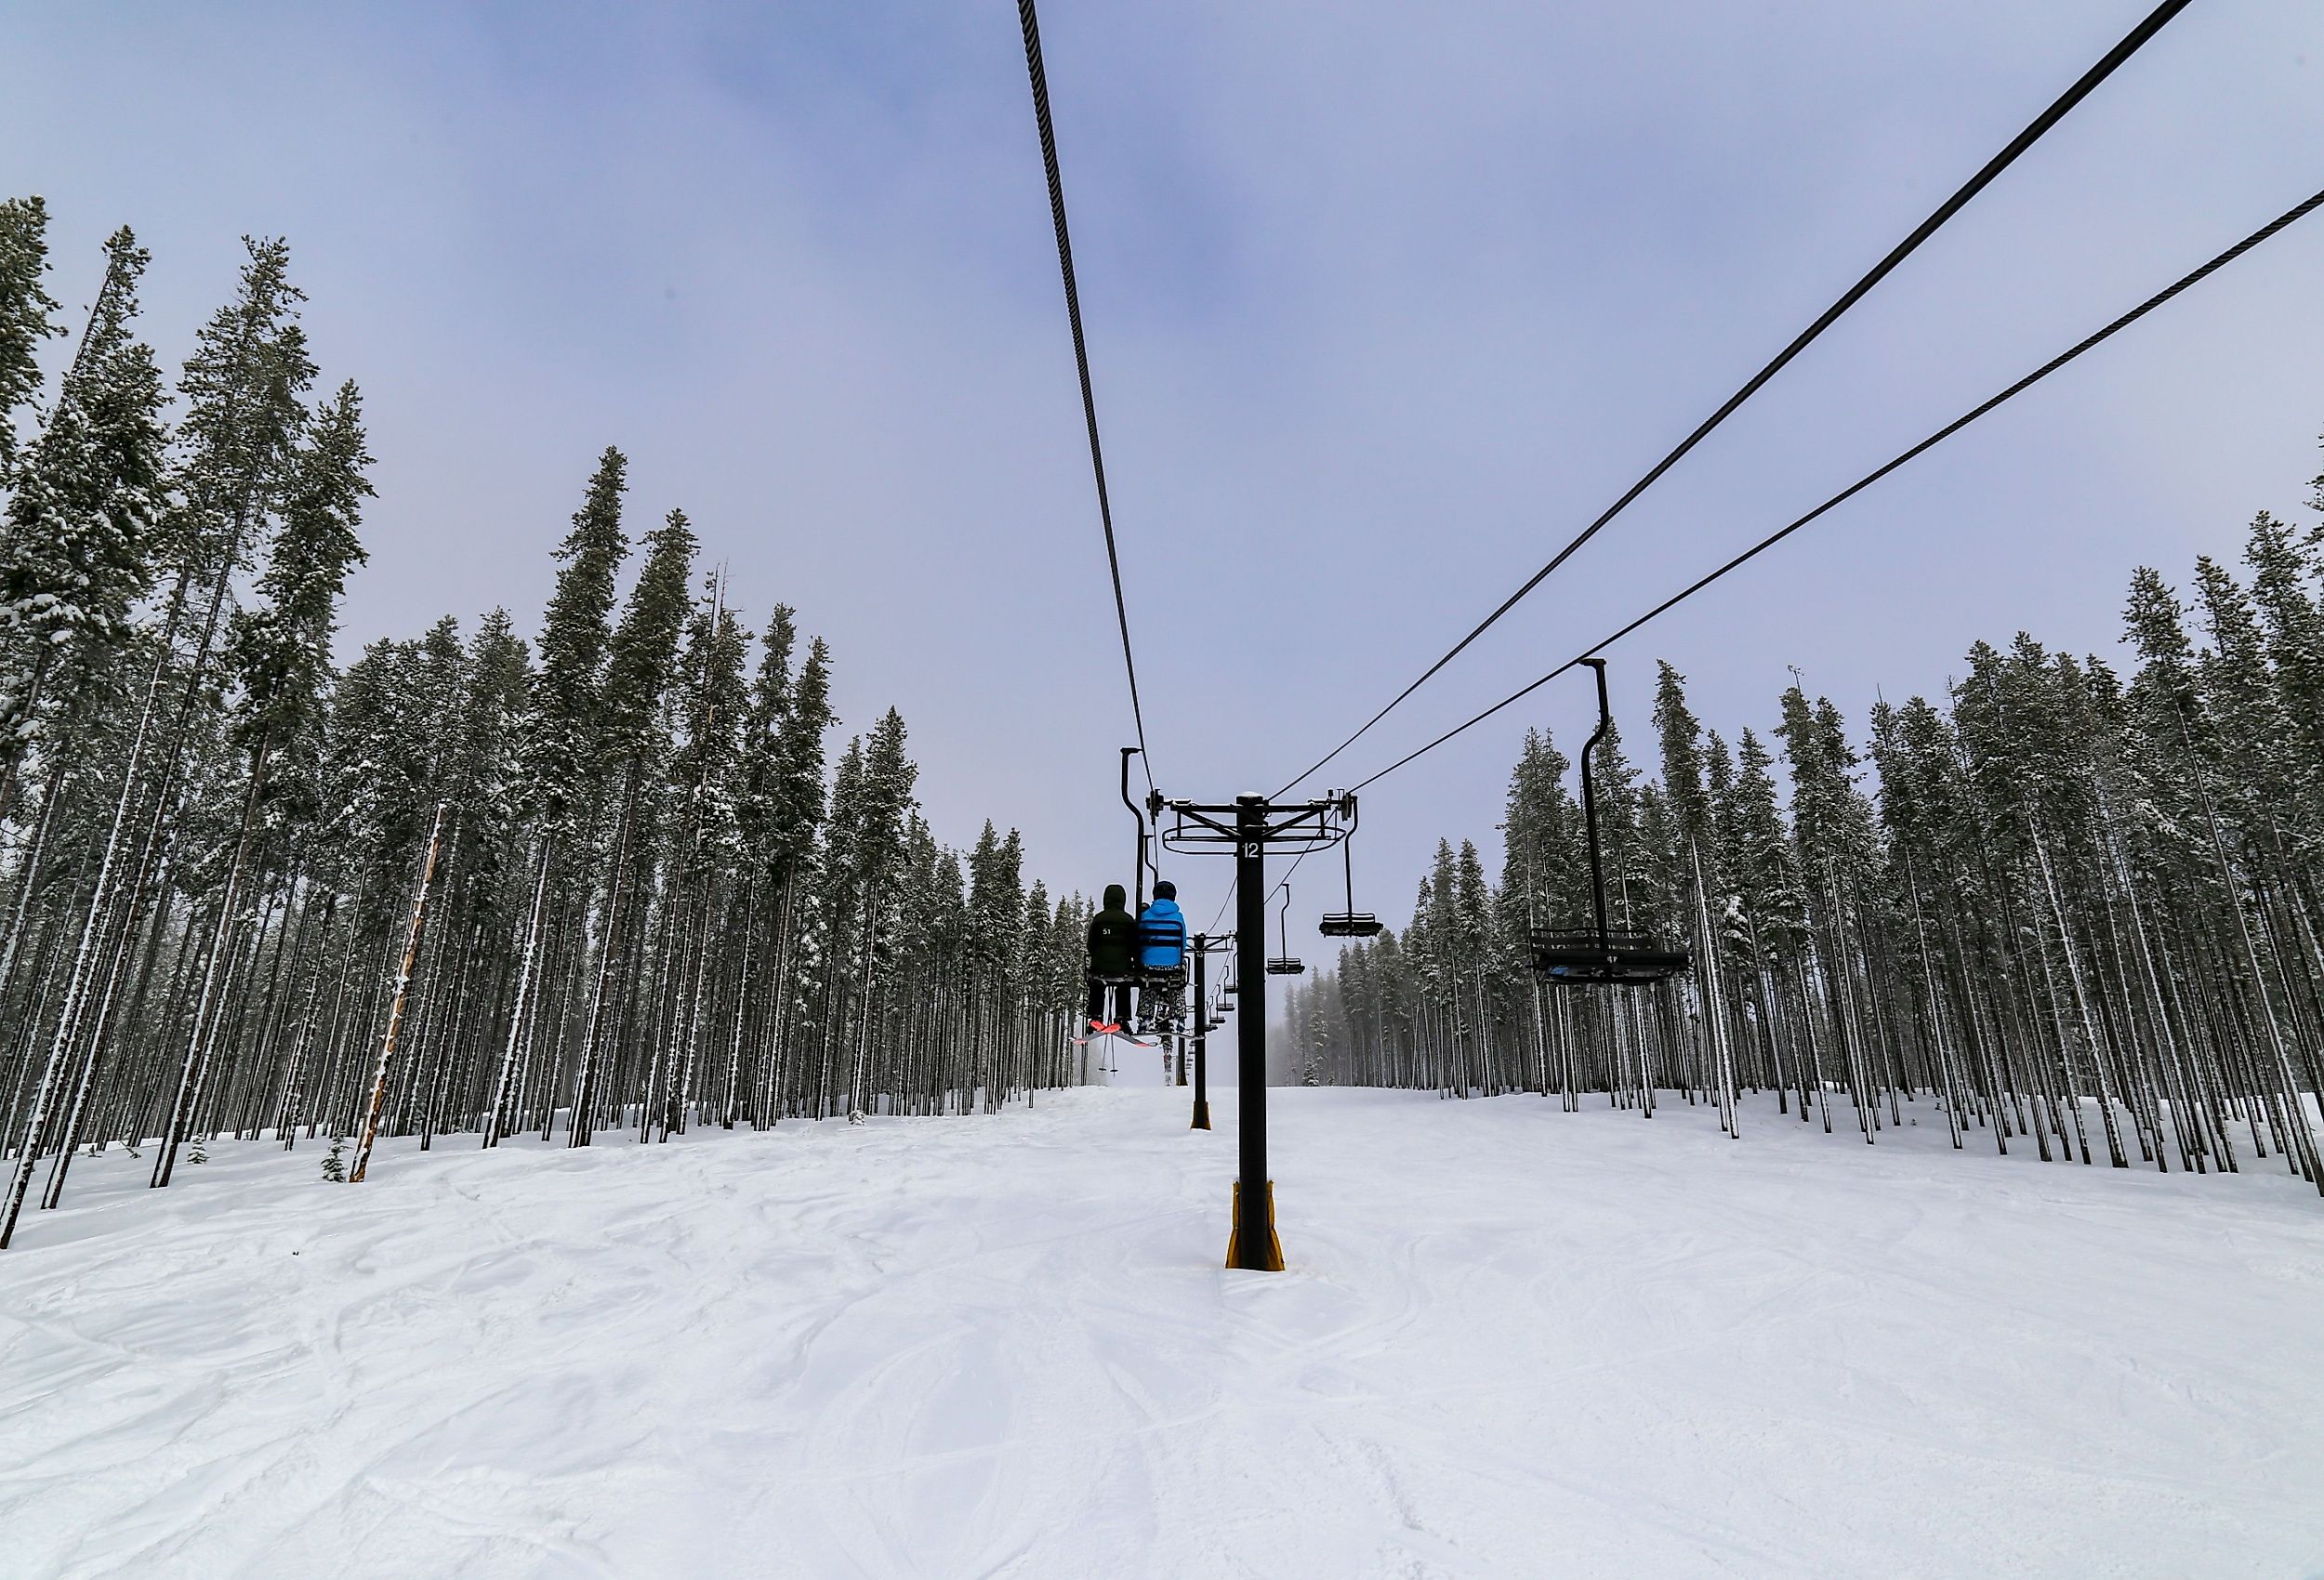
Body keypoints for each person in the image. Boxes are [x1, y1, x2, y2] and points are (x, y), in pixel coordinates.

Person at [1085, 882, 1139, 1032]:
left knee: (1097, 984)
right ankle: (1122, 1017)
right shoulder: (1129, 921)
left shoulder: (1099, 919)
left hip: (1100, 967)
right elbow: (1135, 947)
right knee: (1123, 985)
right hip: (1123, 968)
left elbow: (1091, 945)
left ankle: (1095, 1016)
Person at [1135, 879, 1187, 1033]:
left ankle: (1145, 1018)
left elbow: (1140, 940)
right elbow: (1183, 942)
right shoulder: (1178, 917)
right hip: (1172, 964)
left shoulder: (1145, 916)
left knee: (1147, 983)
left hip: (1149, 965)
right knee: (1178, 982)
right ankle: (1179, 1017)